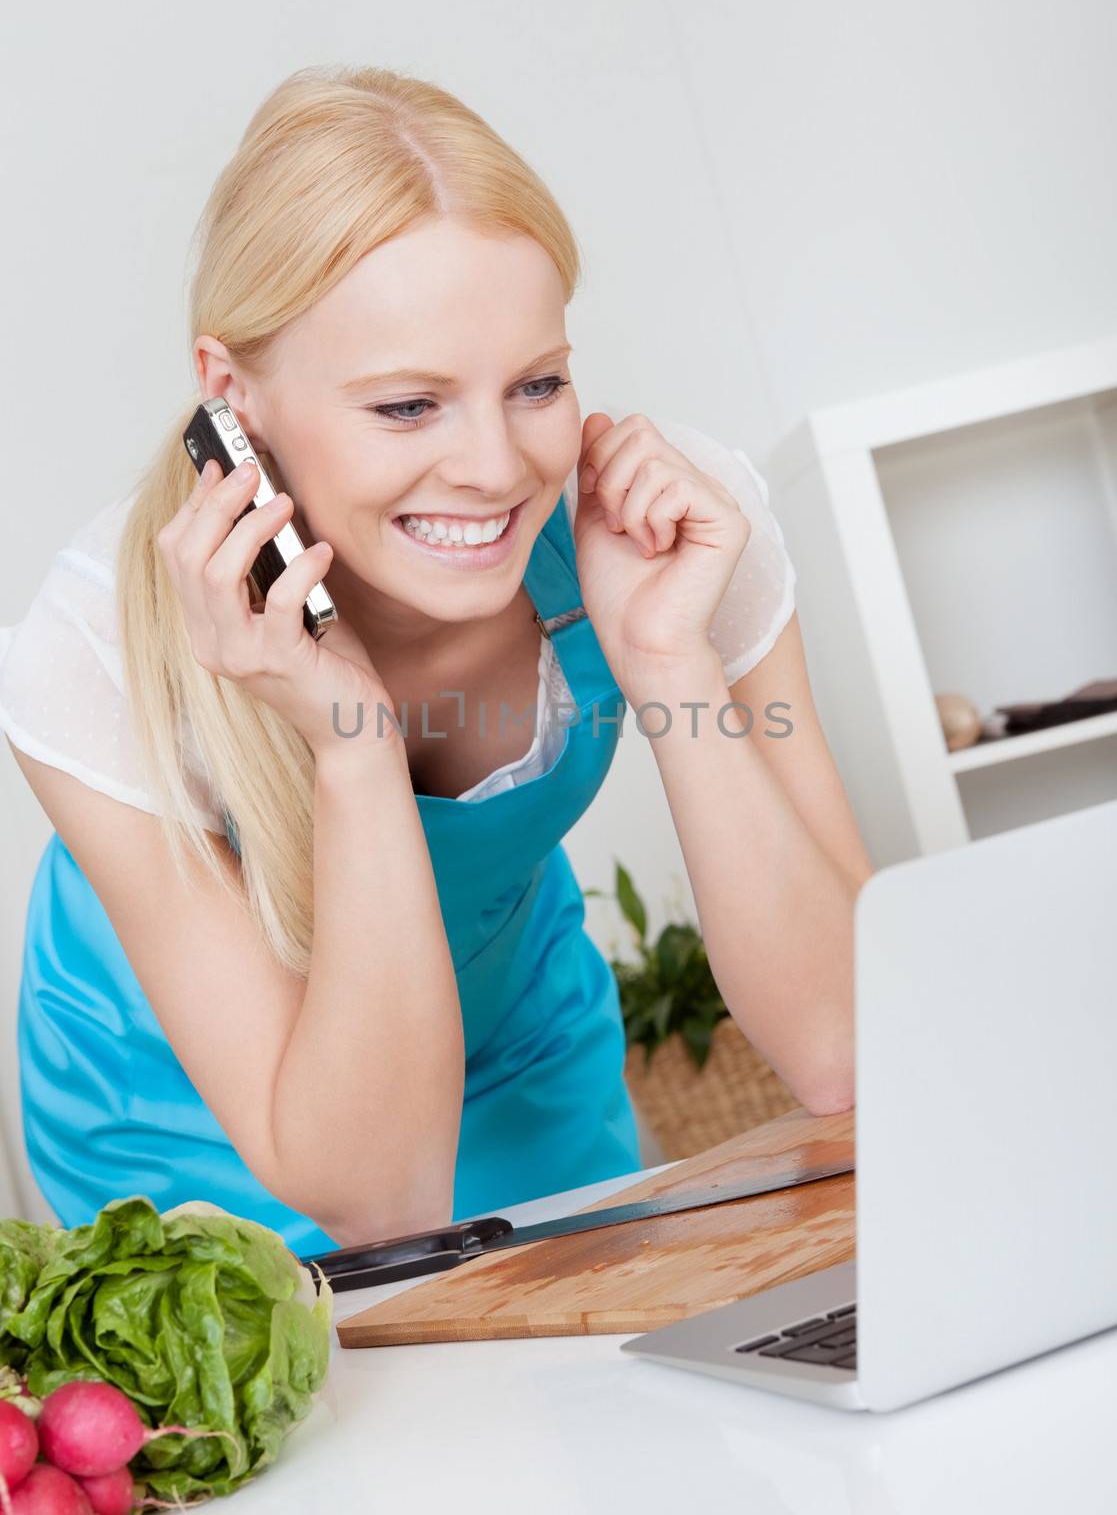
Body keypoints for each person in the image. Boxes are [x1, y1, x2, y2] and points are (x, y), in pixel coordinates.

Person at [0, 64, 873, 1260]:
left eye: (536, 384)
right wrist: (348, 741)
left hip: (513, 1043)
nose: (494, 466)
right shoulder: (96, 648)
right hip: (186, 1126)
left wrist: (668, 661)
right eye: (407, 406)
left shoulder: (672, 536)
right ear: (229, 396)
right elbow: (380, 1196)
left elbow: (851, 1049)